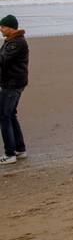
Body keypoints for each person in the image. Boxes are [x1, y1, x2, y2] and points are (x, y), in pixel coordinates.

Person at [0, 14, 28, 165]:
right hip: (12, 83)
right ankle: (20, 149)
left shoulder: (16, 42)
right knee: (10, 115)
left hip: (13, 85)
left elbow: (2, 60)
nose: (1, 29)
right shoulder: (11, 41)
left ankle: (10, 153)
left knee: (4, 116)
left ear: (10, 28)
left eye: (3, 27)